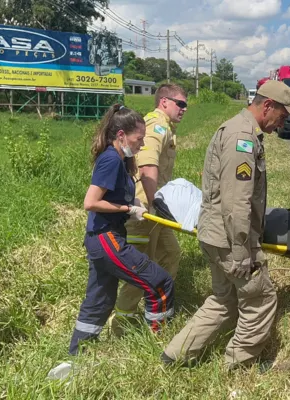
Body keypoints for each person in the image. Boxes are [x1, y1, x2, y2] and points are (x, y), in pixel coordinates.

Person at [161, 80, 290, 370]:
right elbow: (237, 201)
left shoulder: (239, 129)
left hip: (215, 235)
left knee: (224, 299)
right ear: (268, 106)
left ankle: (175, 355)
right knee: (260, 298)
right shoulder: (243, 138)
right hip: (230, 240)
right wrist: (242, 249)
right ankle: (241, 364)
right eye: (283, 115)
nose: (283, 123)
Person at [48, 104, 175, 379]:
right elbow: (90, 202)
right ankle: (160, 347)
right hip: (105, 238)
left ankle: (78, 358)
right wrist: (128, 210)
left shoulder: (122, 159)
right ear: (120, 134)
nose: (141, 144)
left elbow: (116, 194)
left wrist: (133, 201)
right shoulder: (111, 159)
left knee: (100, 300)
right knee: (160, 282)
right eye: (138, 138)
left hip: (104, 237)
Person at [110, 84, 187, 337]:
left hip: (156, 211)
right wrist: (157, 204)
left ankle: (158, 306)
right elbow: (147, 166)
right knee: (140, 268)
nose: (184, 109)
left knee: (171, 253)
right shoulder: (157, 125)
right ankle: (120, 326)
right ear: (164, 102)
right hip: (146, 211)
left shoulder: (166, 127)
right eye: (180, 104)